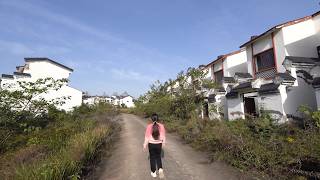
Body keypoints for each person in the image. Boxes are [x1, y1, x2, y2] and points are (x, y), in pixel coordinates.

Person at [143, 113, 166, 178]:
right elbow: (163, 136)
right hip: (159, 144)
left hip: (151, 144)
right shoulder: (161, 126)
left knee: (152, 158)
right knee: (158, 157)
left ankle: (154, 173)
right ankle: (160, 169)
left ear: (151, 119)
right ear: (158, 118)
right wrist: (163, 143)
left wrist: (145, 145)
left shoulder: (149, 126)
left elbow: (147, 137)